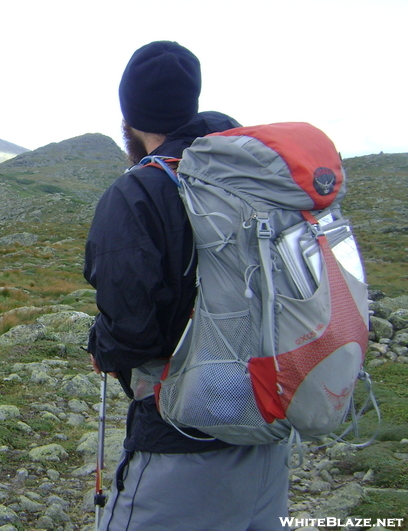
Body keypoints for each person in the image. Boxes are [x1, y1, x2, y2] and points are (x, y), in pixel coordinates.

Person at [84, 41, 290, 531]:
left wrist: (100, 345)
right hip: (269, 422)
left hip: (181, 444)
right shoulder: (255, 179)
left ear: (127, 117)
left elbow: (134, 332)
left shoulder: (139, 191)